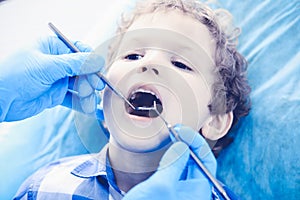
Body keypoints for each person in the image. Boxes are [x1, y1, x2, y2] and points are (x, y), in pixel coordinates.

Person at [14, 0, 251, 199]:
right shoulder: (45, 186)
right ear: (102, 100)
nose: (148, 63)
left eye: (180, 63)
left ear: (216, 120)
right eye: (133, 55)